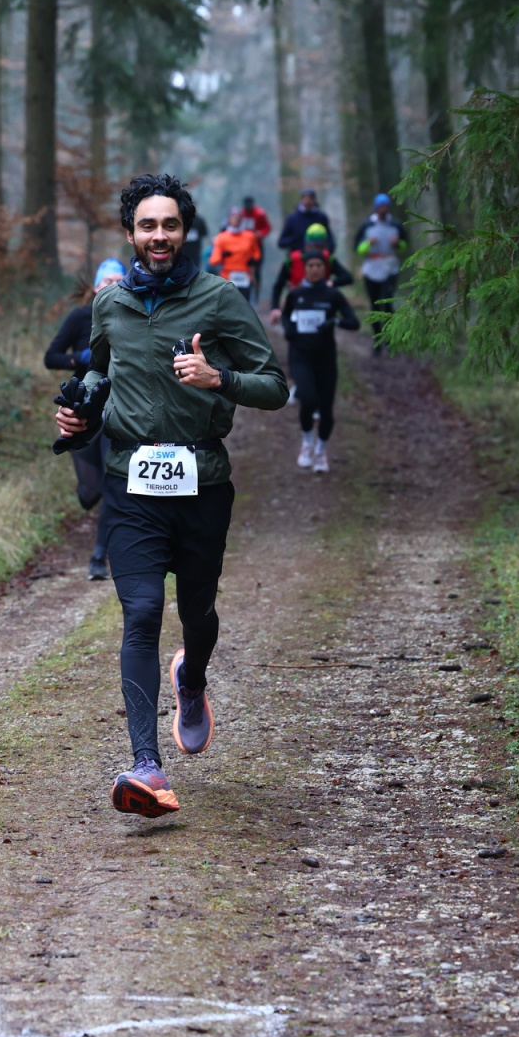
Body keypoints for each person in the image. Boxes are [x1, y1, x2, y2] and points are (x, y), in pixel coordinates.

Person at [54, 173, 288, 818]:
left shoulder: (218, 298)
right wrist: (80, 415)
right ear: (130, 233)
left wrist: (219, 378)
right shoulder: (110, 304)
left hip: (202, 484)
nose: (159, 236)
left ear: (186, 231)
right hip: (131, 485)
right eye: (147, 226)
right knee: (141, 612)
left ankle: (192, 678)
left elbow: (274, 385)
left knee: (198, 612)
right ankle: (146, 766)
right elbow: (99, 374)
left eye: (170, 225)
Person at [44, 257, 125, 579]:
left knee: (110, 482)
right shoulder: (80, 317)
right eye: (107, 282)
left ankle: (99, 555)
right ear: (95, 287)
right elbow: (50, 357)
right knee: (89, 492)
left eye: (119, 281)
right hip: (82, 412)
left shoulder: (132, 318)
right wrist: (79, 358)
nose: (113, 287)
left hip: (116, 410)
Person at [281, 250, 359, 474]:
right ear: (304, 268)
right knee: (308, 399)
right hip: (301, 356)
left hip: (325, 359)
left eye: (319, 265)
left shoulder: (333, 295)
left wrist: (334, 321)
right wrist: (289, 329)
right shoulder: (296, 294)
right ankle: (307, 443)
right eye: (311, 265)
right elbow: (286, 315)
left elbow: (353, 322)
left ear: (325, 269)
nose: (315, 269)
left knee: (326, 409)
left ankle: (321, 451)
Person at [354, 193, 408, 355]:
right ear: (376, 208)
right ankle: (377, 342)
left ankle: (390, 340)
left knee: (388, 303)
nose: (383, 209)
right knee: (375, 304)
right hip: (371, 267)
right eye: (381, 206)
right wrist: (368, 244)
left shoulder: (396, 225)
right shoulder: (367, 226)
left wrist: (397, 244)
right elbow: (358, 248)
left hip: (390, 266)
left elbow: (404, 245)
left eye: (386, 206)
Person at [269, 222, 353, 323]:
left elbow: (347, 277)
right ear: (306, 245)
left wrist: (331, 283)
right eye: (311, 266)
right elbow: (278, 285)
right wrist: (275, 308)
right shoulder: (293, 260)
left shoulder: (328, 259)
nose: (315, 269)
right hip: (298, 303)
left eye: (320, 247)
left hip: (321, 303)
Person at [208, 208, 262, 300]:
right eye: (234, 217)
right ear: (229, 219)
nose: (236, 219)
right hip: (227, 277)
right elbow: (213, 260)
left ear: (242, 219)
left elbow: (257, 253)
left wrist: (253, 260)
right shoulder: (221, 238)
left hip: (245, 276)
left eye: (238, 217)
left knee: (245, 303)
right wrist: (222, 256)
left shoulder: (250, 236)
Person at [277, 187, 335, 254]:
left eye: (310, 198)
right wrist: (295, 238)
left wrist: (328, 252)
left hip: (317, 256)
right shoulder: (293, 218)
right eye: (305, 198)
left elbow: (329, 239)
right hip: (298, 257)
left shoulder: (321, 217)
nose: (307, 201)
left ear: (314, 200)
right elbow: (281, 243)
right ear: (301, 200)